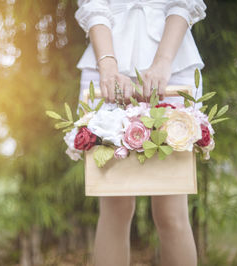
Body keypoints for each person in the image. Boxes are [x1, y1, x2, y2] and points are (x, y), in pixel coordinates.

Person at [74, 0, 207, 265]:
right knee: (114, 207)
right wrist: (108, 65)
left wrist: (163, 61)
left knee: (172, 211)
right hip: (106, 60)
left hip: (173, 62)